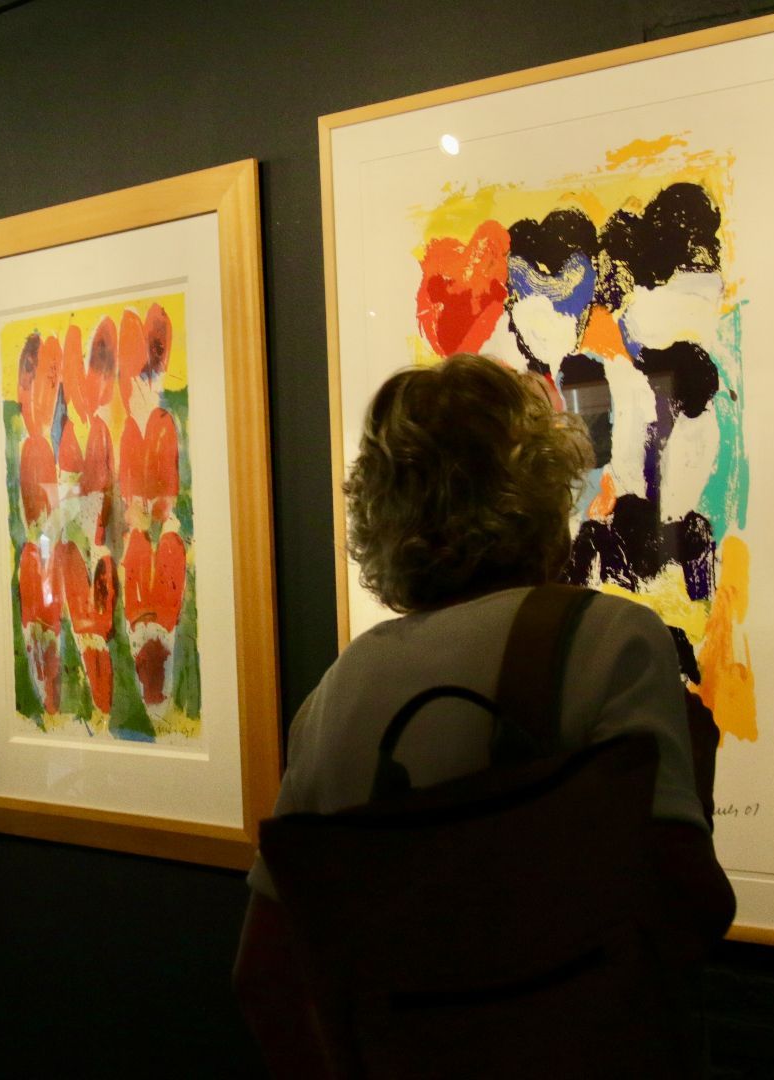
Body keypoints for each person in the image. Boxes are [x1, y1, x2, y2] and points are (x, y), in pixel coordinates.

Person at [233, 355, 733, 1071]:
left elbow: (263, 978)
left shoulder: (338, 693)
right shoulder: (609, 640)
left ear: (380, 506)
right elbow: (687, 909)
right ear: (538, 486)